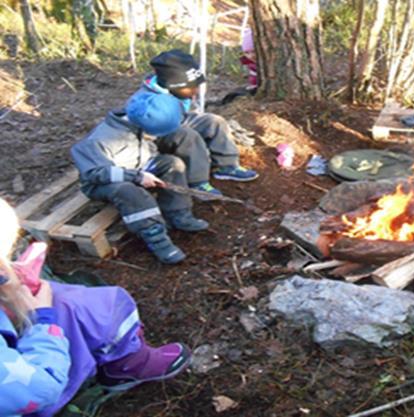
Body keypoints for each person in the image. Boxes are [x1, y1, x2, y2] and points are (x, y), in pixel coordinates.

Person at [0, 198, 191, 416]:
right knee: (89, 307)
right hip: (36, 390)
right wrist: (42, 320)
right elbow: (40, 388)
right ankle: (126, 365)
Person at [71, 92, 208, 264]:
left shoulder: (138, 124)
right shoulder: (97, 141)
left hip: (138, 168)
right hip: (105, 183)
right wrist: (136, 177)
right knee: (130, 192)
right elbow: (94, 173)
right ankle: (156, 238)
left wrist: (140, 172)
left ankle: (178, 213)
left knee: (173, 163)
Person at [133, 49, 258, 195]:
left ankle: (227, 166)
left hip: (177, 119)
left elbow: (185, 113)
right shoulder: (149, 101)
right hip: (154, 133)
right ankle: (198, 182)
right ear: (173, 85)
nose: (196, 92)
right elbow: (147, 133)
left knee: (214, 121)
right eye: (191, 88)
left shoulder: (177, 90)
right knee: (188, 136)